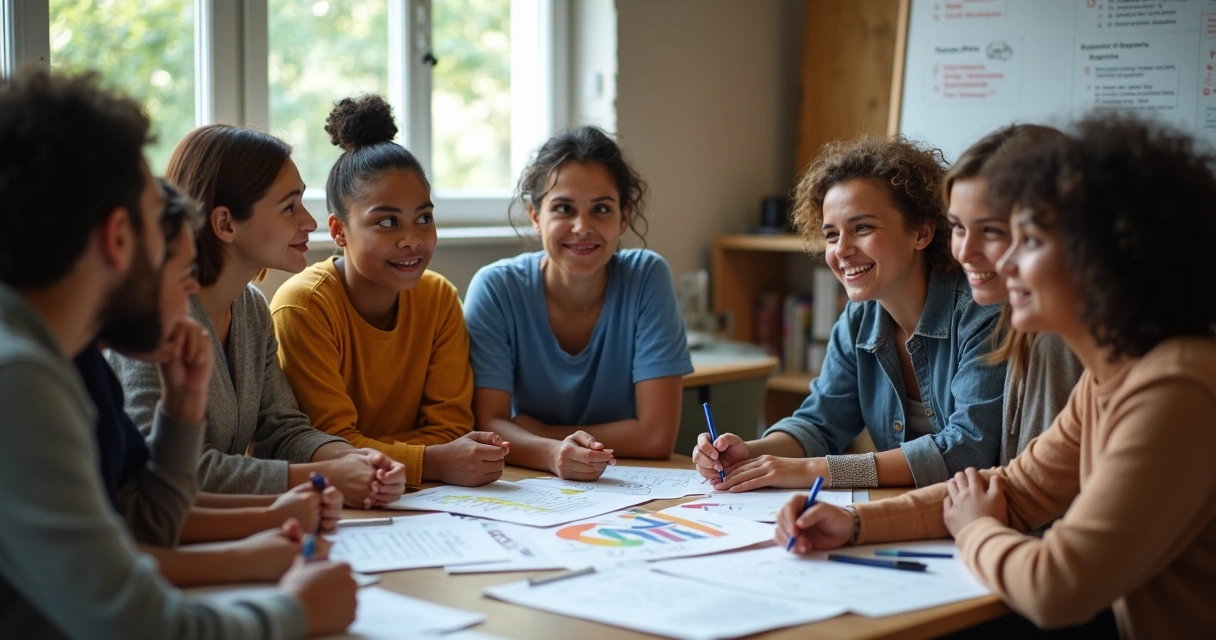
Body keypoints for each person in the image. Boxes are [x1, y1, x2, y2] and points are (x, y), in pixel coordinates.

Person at [774, 113, 1216, 638]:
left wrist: (976, 527)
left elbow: (1057, 587)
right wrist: (854, 525)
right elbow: (1015, 489)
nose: (992, 261)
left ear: (1104, 251)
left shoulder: (1174, 387)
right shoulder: (1110, 380)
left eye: (1022, 241)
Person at [0, 66, 354, 638]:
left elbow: (144, 518)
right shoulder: (18, 378)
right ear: (119, 238)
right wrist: (295, 612)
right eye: (155, 221)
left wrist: (183, 412)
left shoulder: (55, 356)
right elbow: (134, 623)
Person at [107, 124, 406, 508]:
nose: (310, 222)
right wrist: (317, 477)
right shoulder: (153, 316)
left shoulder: (250, 308)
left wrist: (352, 458)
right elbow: (165, 469)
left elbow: (281, 429)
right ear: (225, 224)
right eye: (289, 207)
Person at [694, 135, 1005, 490]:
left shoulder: (980, 311)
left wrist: (816, 471)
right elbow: (820, 424)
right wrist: (749, 452)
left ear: (922, 232)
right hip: (912, 512)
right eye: (830, 235)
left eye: (862, 228)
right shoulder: (857, 321)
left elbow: (967, 449)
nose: (841, 251)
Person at [81, 180, 341, 558]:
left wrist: (273, 515)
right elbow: (109, 568)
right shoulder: (36, 379)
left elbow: (148, 512)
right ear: (117, 243)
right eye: (183, 273)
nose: (191, 293)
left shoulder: (89, 370)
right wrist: (263, 549)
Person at [271, 95, 507, 488]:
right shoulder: (303, 307)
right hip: (326, 495)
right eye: (387, 223)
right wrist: (430, 461)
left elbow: (451, 429)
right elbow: (331, 444)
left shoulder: (439, 298)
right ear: (338, 231)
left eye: (424, 218)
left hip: (410, 493)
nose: (412, 240)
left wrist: (422, 457)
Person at [463, 125, 693, 480]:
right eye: (564, 208)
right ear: (536, 217)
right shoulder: (496, 288)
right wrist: (553, 454)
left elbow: (656, 437)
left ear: (624, 218)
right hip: (525, 482)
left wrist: (538, 434)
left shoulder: (647, 277)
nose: (582, 226)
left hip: (623, 481)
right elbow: (488, 424)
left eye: (601, 209)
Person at [944, 125, 1084, 465]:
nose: (965, 251)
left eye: (991, 230)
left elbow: (1037, 504)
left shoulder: (1058, 338)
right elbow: (1023, 486)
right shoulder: (1021, 321)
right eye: (957, 227)